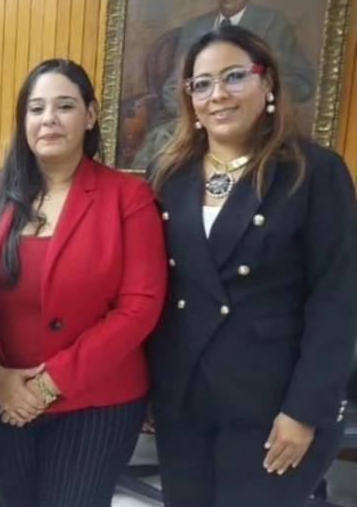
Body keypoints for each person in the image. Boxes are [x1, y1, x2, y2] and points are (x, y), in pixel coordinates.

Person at [147, 25, 357, 507]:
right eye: (201, 84)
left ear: (268, 83)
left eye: (234, 76)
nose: (217, 94)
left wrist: (305, 410)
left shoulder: (313, 171)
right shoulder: (170, 173)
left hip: (273, 405)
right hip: (184, 400)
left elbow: (337, 299)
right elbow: (159, 287)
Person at [0, 59, 167, 506]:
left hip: (97, 403)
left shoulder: (127, 197)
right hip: (0, 398)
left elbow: (140, 307)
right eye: (36, 108)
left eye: (65, 106)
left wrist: (48, 384)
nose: (49, 119)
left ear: (90, 115)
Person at [135, 0, 317, 168]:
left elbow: (303, 82)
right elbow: (174, 86)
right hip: (195, 125)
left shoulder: (273, 25)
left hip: (259, 131)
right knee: (160, 146)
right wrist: (199, 117)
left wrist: (258, 100)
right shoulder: (194, 28)